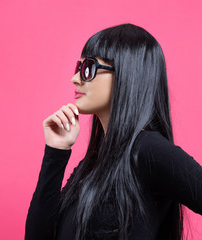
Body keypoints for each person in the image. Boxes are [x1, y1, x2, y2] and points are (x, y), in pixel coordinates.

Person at [25, 23, 202, 240]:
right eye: (77, 68)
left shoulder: (148, 150)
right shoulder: (92, 164)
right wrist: (56, 152)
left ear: (127, 74)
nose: (75, 79)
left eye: (88, 68)